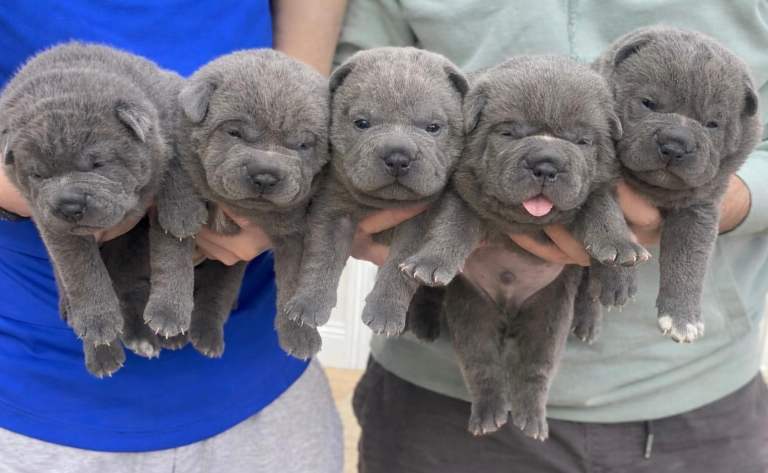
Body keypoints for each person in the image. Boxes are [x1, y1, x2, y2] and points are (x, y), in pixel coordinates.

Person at [336, 1, 768, 472]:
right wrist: (366, 207)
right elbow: (346, 95)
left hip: (690, 394)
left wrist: (726, 198)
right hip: (436, 389)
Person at [0, 1, 403, 471]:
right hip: (34, 363)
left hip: (256, 355)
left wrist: (287, 191)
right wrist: (70, 190)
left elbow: (302, 94)